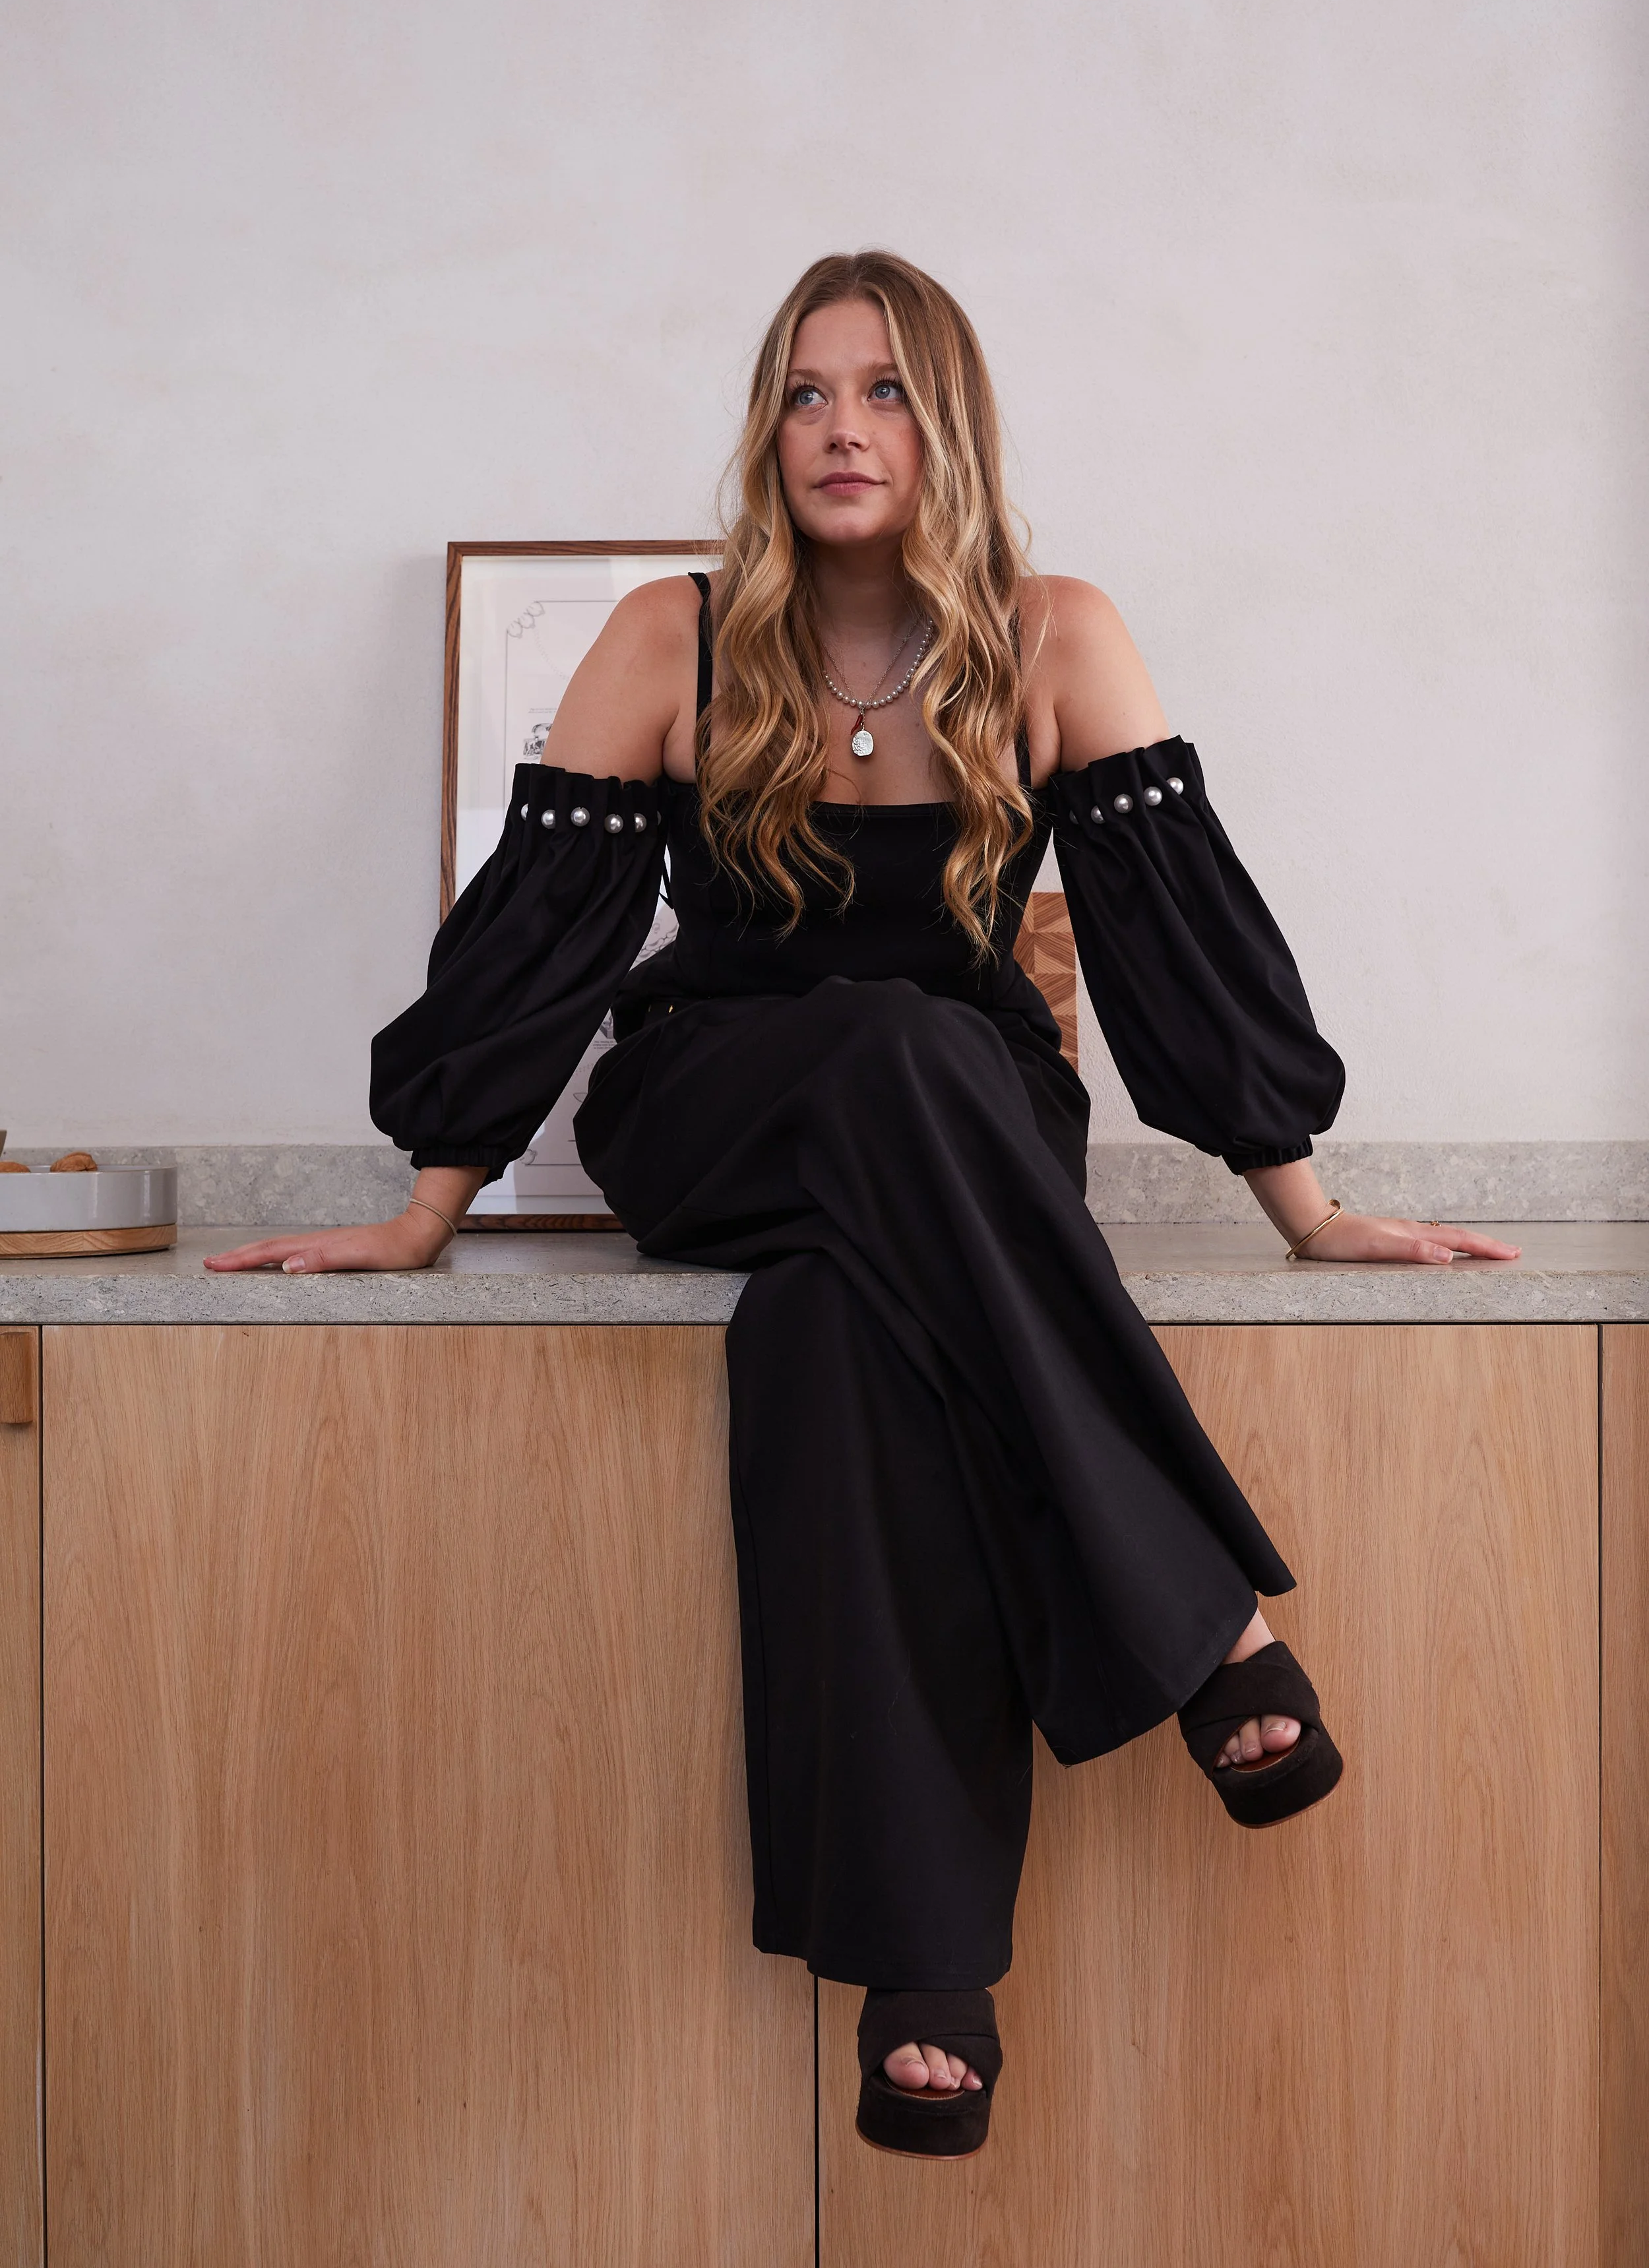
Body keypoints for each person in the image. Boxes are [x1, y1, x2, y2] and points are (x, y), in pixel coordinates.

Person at [208, 252, 1519, 2160]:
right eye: (807, 393)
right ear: (767, 429)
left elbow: (1173, 943)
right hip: (715, 1108)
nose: (843, 428)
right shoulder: (669, 638)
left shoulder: (1055, 636)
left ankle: (928, 1967)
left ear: (950, 424)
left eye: (887, 390)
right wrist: (426, 1206)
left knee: (836, 1326)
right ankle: (1193, 1613)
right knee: (888, 1038)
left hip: (959, 1136)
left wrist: (1305, 1209)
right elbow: (539, 943)